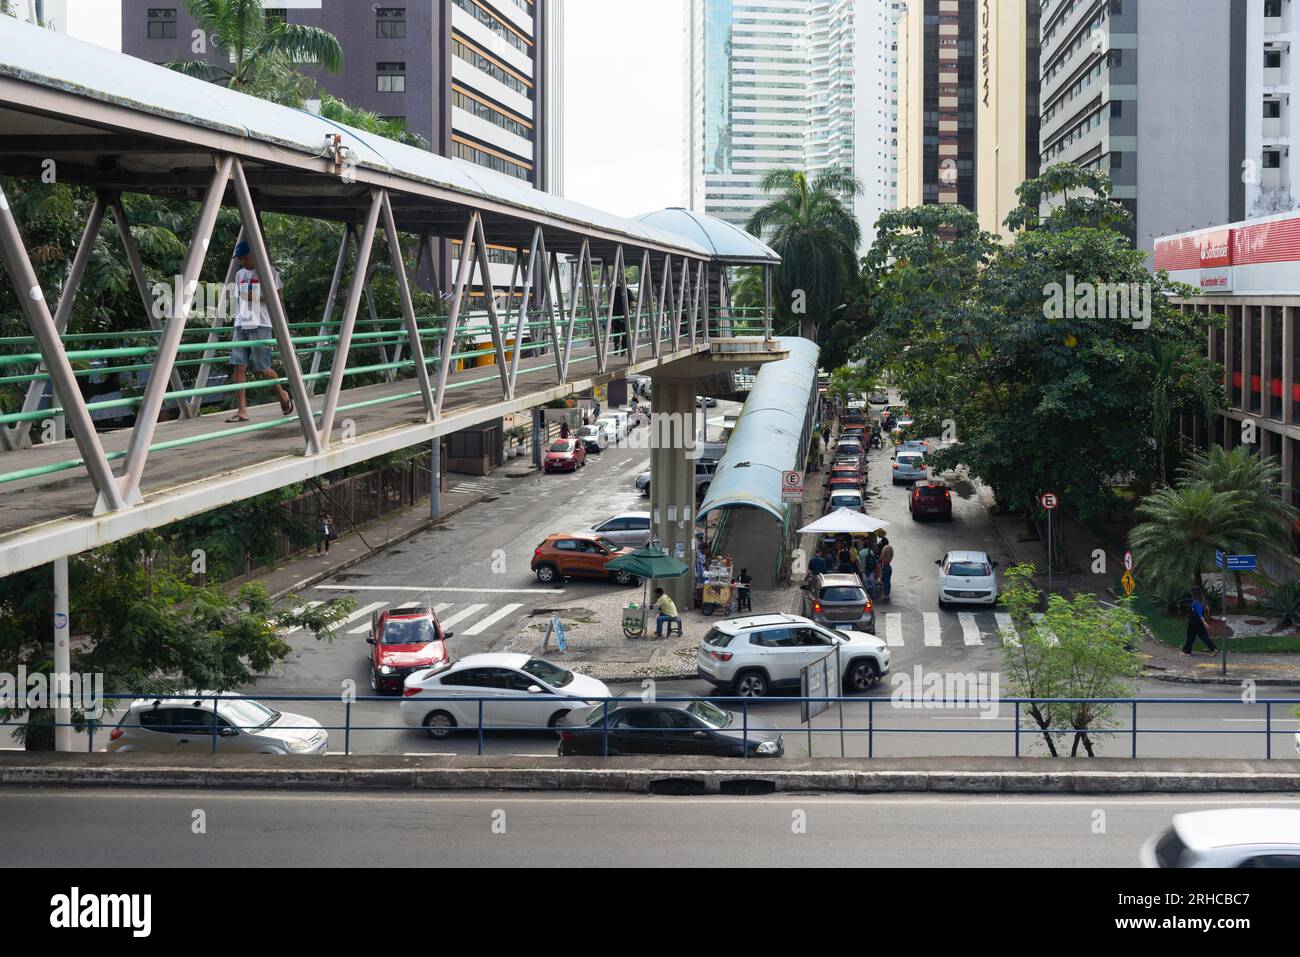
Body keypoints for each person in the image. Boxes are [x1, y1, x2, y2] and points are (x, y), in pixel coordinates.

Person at [227, 239, 293, 423]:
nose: (242, 261)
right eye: (240, 258)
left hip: (261, 323)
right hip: (241, 323)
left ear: (254, 255)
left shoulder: (269, 271)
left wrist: (256, 297)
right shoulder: (239, 274)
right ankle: (241, 411)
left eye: (245, 257)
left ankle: (283, 395)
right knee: (238, 366)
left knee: (262, 368)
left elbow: (279, 298)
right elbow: (239, 300)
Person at [1182, 587, 1217, 655]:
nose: (1191, 594)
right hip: (1198, 621)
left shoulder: (1196, 602)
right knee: (1203, 636)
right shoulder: (1202, 600)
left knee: (1191, 636)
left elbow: (1199, 613)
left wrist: (1205, 623)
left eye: (1192, 593)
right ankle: (1213, 650)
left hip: (1194, 621)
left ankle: (1186, 651)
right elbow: (1207, 608)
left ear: (1194, 594)